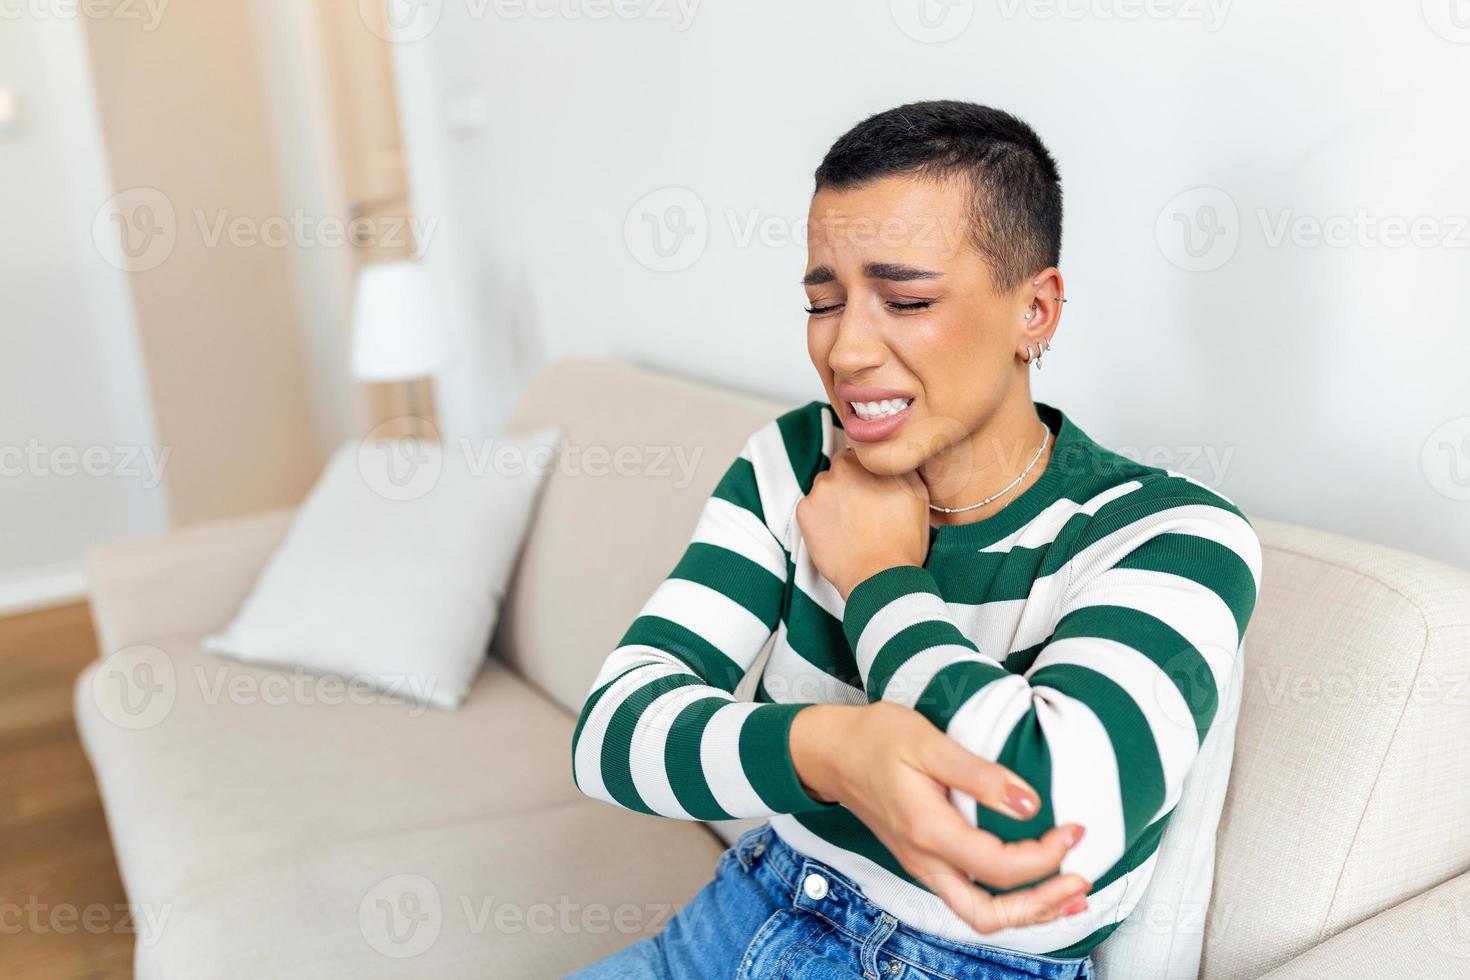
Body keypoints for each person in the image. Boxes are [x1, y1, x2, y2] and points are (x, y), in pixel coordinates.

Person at [568, 100, 1262, 979]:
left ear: (1035, 311)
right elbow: (611, 733)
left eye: (906, 298)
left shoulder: (1172, 535)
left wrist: (880, 580)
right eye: (824, 301)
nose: (846, 350)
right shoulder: (793, 460)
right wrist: (832, 751)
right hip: (738, 916)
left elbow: (1036, 819)